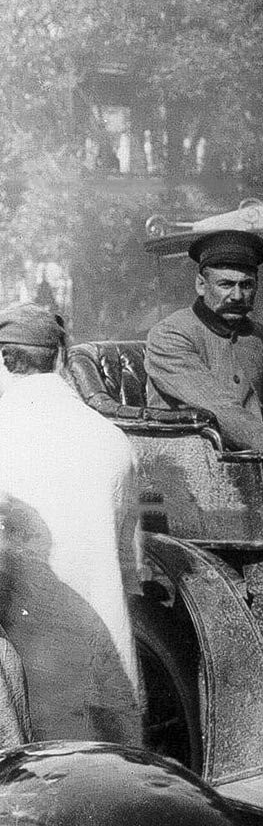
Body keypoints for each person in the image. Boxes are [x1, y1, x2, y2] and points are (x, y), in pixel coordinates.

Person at [0, 304, 140, 744]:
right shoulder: (113, 439)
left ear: (3, 360)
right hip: (107, 681)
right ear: (60, 359)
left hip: (27, 695)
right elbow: (131, 569)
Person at [146, 230, 263, 454]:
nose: (237, 296)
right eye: (225, 284)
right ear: (201, 285)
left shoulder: (256, 334)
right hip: (191, 459)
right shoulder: (171, 334)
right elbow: (218, 408)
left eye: (246, 285)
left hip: (257, 458)